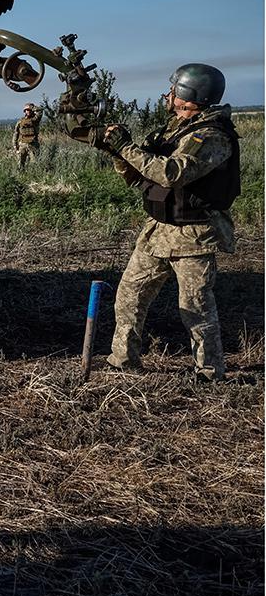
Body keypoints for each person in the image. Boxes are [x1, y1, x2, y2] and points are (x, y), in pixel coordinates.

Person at [101, 63, 239, 382]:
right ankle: (123, 359)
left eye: (174, 88)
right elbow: (137, 176)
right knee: (130, 294)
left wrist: (126, 147)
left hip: (194, 235)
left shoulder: (212, 137)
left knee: (195, 307)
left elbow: (171, 173)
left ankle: (209, 372)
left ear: (188, 94)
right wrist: (117, 151)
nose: (169, 94)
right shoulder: (170, 130)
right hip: (158, 232)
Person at [12, 102, 43, 169]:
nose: (27, 111)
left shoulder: (35, 120)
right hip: (22, 144)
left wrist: (33, 107)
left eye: (29, 110)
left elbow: (40, 111)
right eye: (26, 110)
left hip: (33, 144)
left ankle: (33, 177)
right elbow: (16, 133)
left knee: (34, 163)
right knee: (20, 163)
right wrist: (15, 145)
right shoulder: (20, 121)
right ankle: (21, 177)